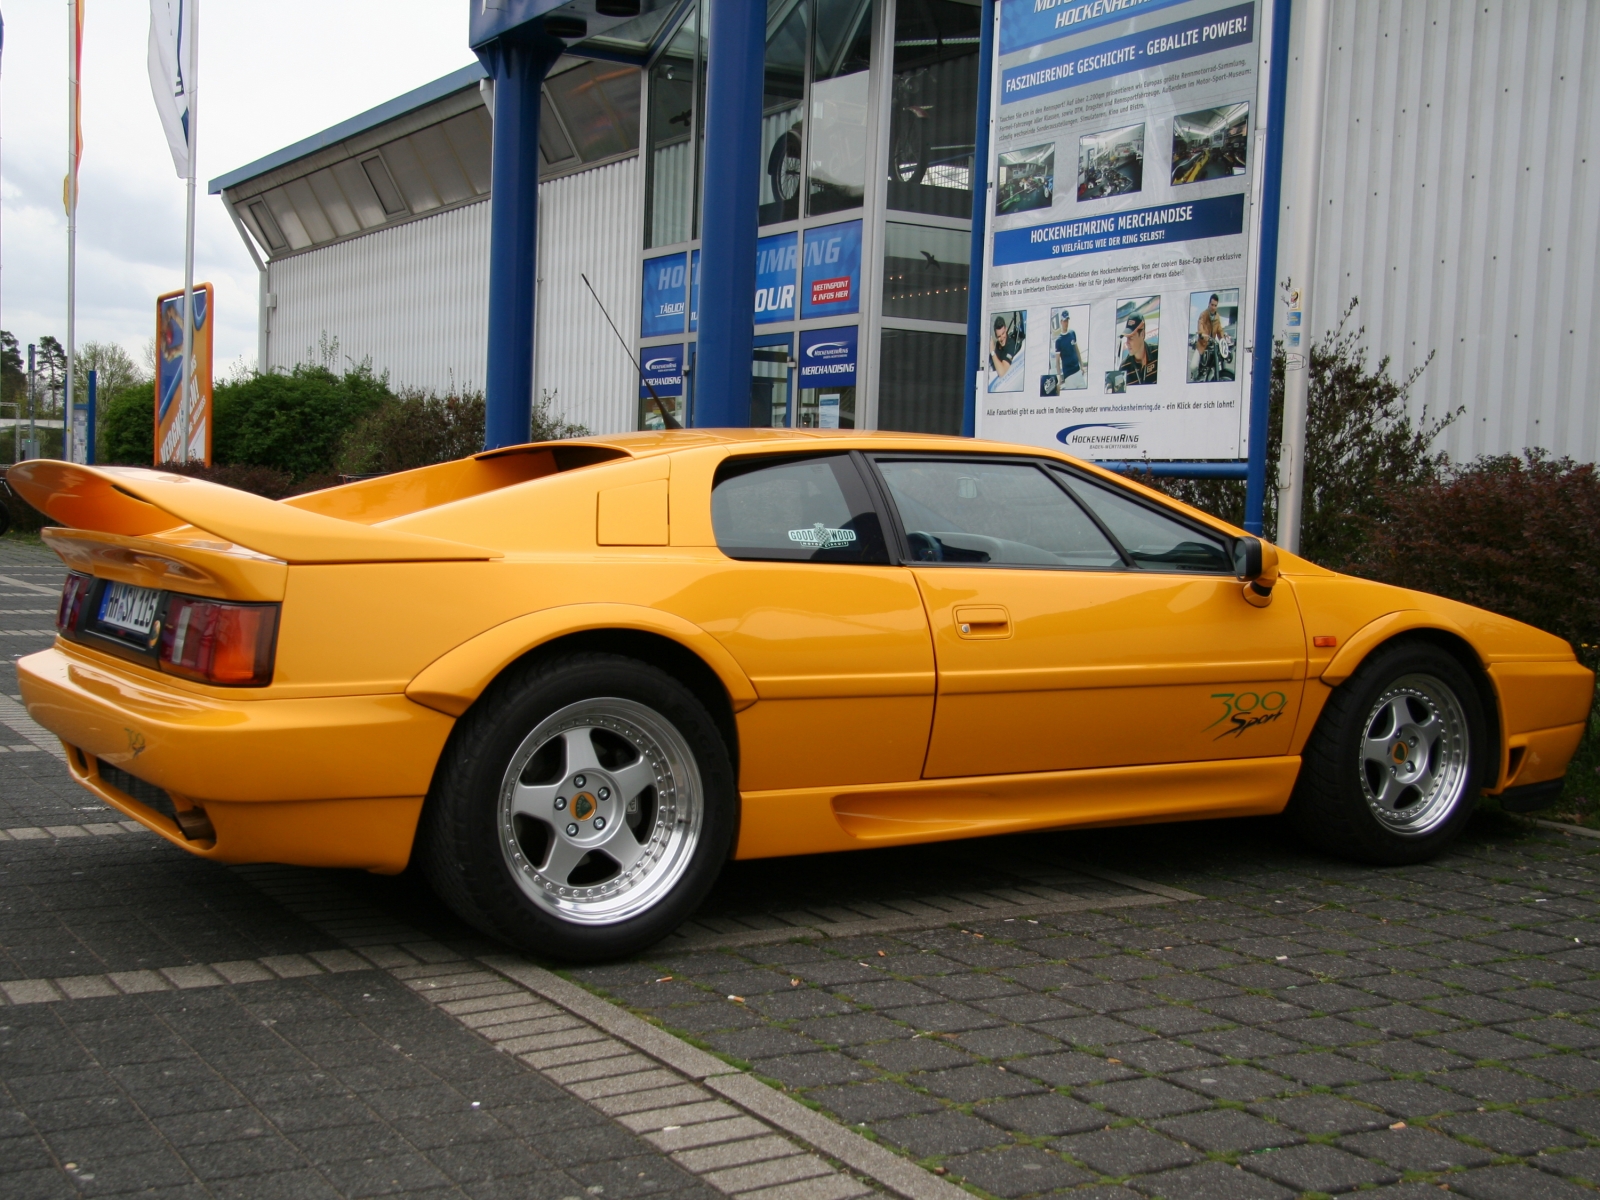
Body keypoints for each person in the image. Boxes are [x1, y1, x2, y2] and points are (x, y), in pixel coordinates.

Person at [1119, 312, 1157, 385]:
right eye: (1127, 338)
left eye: (1131, 337)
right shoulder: (1124, 367)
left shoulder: (1158, 354)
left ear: (1142, 334)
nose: (1127, 342)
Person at [1195, 294, 1224, 380]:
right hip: (1202, 344)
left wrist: (1223, 338)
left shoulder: (1217, 317)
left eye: (1215, 305)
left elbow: (1219, 330)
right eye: (1212, 305)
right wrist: (1202, 334)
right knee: (1193, 366)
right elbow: (1200, 325)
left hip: (1212, 345)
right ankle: (1196, 378)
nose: (1213, 307)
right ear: (1208, 304)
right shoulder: (1203, 314)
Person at [1055, 313, 1081, 382]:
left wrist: (1082, 365)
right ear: (1061, 322)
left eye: (1067, 320)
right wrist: (1059, 376)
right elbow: (1057, 361)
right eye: (1064, 321)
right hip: (1068, 375)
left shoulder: (1072, 333)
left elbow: (1077, 350)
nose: (1066, 323)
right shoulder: (1058, 340)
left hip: (1077, 370)